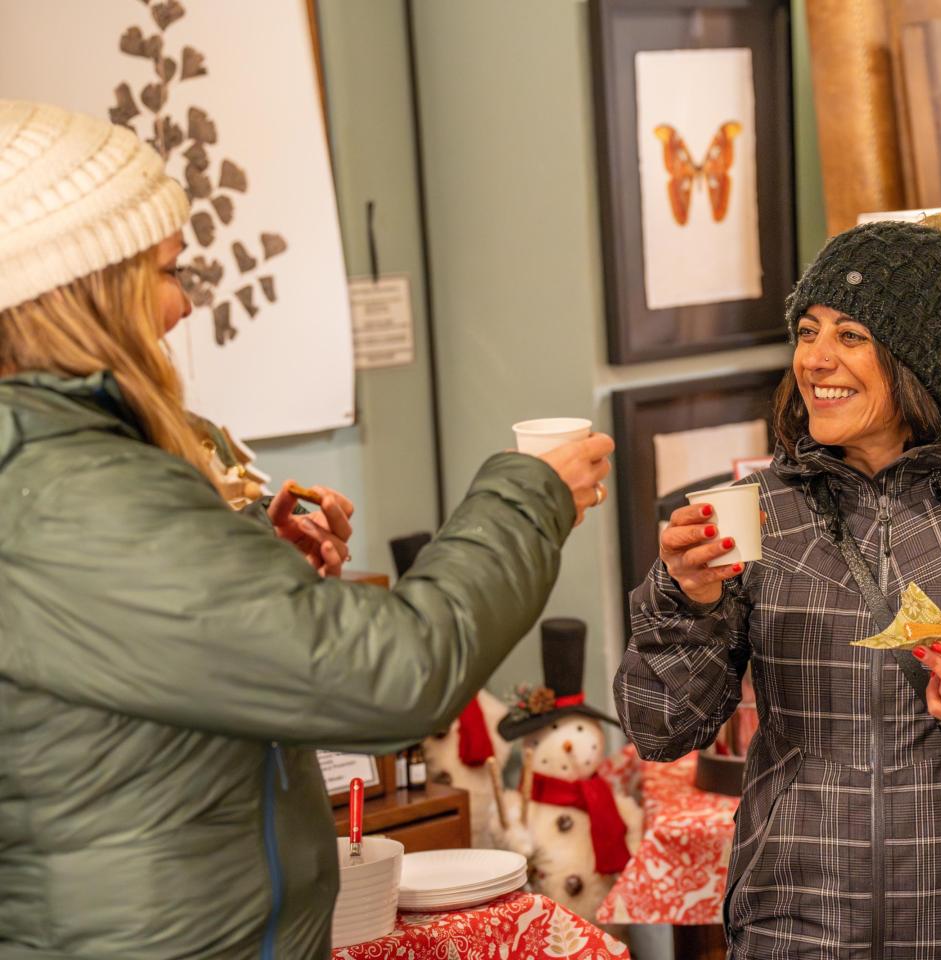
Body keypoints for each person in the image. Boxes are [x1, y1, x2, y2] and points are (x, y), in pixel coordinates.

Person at [0, 100, 612, 959]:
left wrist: (251, 570)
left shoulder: (58, 473)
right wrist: (529, 494)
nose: (181, 307)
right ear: (85, 290)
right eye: (169, 271)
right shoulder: (63, 489)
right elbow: (398, 675)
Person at [615, 199, 941, 958]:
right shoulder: (752, 516)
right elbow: (658, 727)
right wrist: (687, 602)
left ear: (921, 361)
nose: (814, 360)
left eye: (851, 336)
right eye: (808, 332)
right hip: (795, 932)